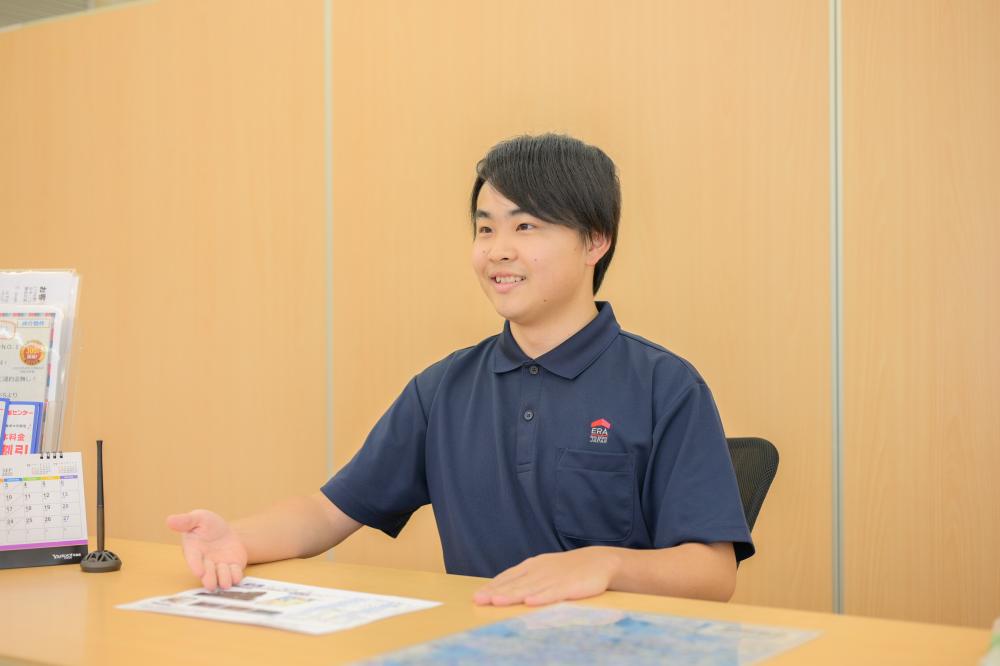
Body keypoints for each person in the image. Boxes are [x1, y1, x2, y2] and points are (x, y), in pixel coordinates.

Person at [167, 133, 753, 606]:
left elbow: (713, 573)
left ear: (594, 242)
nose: (498, 249)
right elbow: (327, 512)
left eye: (526, 227)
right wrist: (237, 538)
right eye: (485, 228)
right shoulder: (444, 389)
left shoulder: (665, 386)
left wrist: (604, 564)